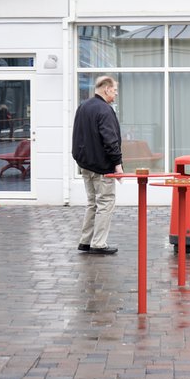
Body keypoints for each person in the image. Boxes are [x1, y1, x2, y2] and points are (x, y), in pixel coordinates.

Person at [72, 76, 124, 255]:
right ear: (107, 89)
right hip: (102, 166)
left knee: (92, 203)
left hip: (86, 165)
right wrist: (117, 164)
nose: (116, 94)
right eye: (115, 90)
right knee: (105, 202)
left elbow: (77, 136)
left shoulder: (83, 107)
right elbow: (110, 140)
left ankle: (85, 241)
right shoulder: (105, 110)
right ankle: (99, 243)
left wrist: (79, 159)